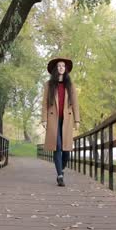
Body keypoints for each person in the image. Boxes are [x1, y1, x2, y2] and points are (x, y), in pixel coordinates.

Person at [41, 57, 80, 187]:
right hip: (53, 119)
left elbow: (75, 103)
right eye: (59, 66)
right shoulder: (49, 85)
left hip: (67, 119)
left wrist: (77, 120)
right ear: (55, 69)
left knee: (67, 149)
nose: (61, 68)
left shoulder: (70, 85)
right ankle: (60, 175)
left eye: (63, 66)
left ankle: (61, 168)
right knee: (57, 146)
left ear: (66, 69)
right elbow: (45, 103)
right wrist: (44, 119)